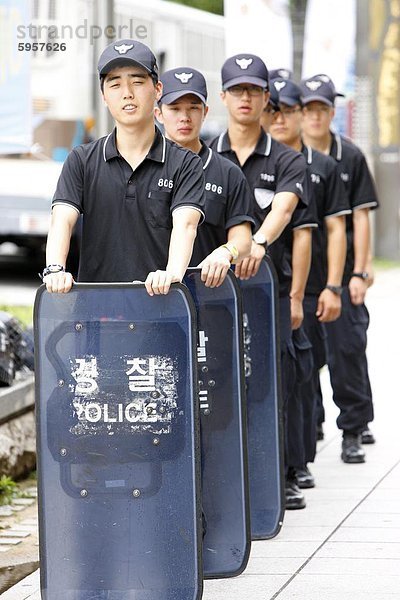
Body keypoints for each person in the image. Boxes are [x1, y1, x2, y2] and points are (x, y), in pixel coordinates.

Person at [209, 54, 309, 509]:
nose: (245, 98)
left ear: (267, 98)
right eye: (237, 90)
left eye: (254, 90)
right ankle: (221, 473)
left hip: (270, 288)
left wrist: (259, 244)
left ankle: (283, 472)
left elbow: (284, 208)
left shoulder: (287, 158)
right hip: (215, 292)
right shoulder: (205, 156)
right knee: (218, 379)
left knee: (275, 378)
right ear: (224, 97)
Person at [42, 39, 206, 296]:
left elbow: (186, 226)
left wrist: (172, 275)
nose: (127, 92)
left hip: (161, 308)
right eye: (115, 83)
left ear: (158, 89)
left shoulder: (185, 163)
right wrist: (54, 269)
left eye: (138, 82)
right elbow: (61, 219)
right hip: (95, 311)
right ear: (104, 95)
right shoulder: (81, 160)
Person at [268, 77, 350, 486]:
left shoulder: (320, 167)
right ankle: (288, 459)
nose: (280, 118)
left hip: (306, 287)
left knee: (304, 370)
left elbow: (332, 229)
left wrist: (335, 285)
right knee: (286, 375)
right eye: (275, 109)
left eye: (289, 109)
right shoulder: (247, 162)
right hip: (262, 287)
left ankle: (299, 459)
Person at [300, 74, 379, 463]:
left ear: (333, 112)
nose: (316, 116)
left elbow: (360, 218)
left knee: (347, 351)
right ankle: (311, 424)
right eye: (309, 108)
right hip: (303, 278)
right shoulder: (288, 157)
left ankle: (354, 425)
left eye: (323, 109)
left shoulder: (349, 156)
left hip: (342, 278)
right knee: (306, 355)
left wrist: (360, 272)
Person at [154, 67, 253, 283]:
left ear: (205, 112)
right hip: (149, 297)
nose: (185, 117)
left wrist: (226, 251)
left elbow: (243, 239)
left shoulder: (228, 173)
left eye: (193, 108)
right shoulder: (143, 168)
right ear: (159, 114)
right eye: (175, 108)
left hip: (210, 298)